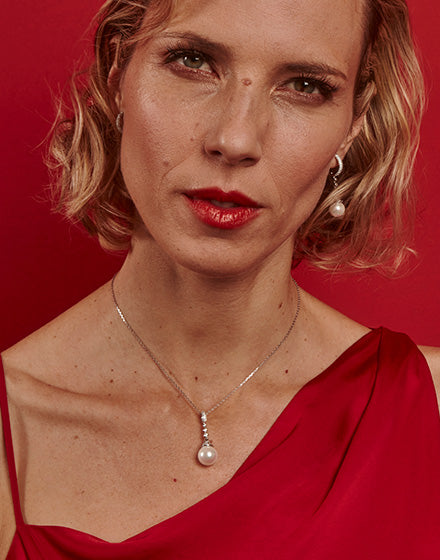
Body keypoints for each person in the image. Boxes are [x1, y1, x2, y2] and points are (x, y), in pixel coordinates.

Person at [1, 0, 440, 558]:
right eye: (193, 61)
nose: (235, 140)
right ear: (117, 75)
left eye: (304, 86)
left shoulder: (429, 406)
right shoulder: (16, 423)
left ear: (353, 125)